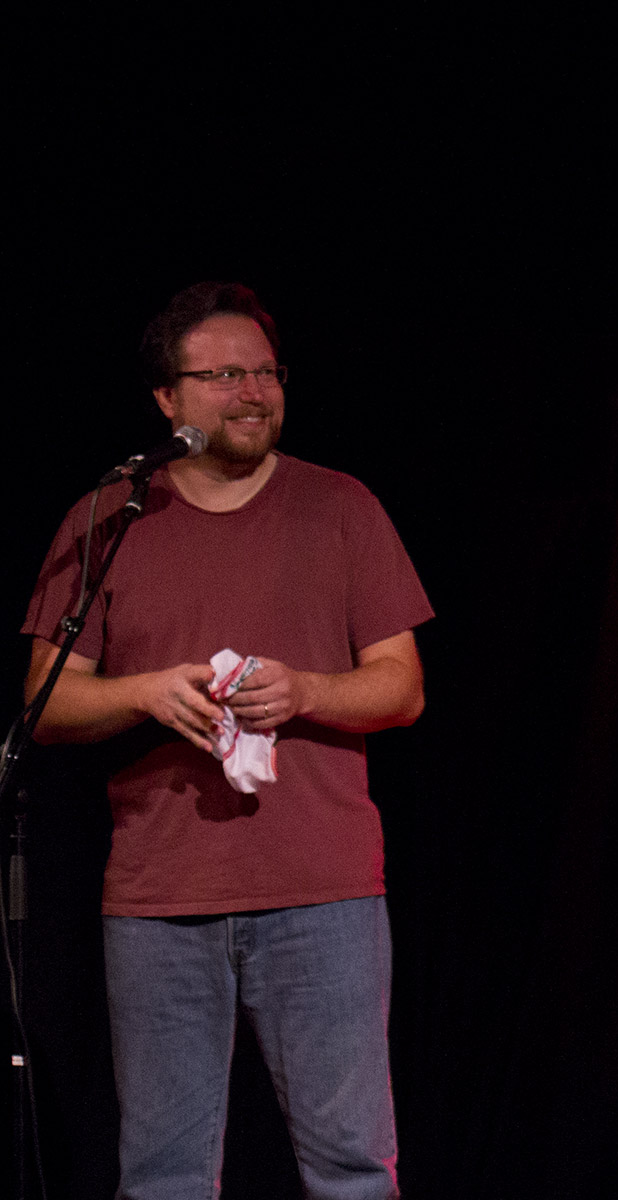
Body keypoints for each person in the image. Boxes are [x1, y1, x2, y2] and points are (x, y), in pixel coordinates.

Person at [21, 282, 432, 1200]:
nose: (253, 392)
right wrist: (146, 694)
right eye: (224, 375)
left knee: (354, 1169)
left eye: (266, 373)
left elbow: (401, 687)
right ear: (167, 399)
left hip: (323, 898)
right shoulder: (111, 515)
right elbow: (45, 706)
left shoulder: (341, 507)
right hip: (159, 901)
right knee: (162, 1175)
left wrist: (308, 690)